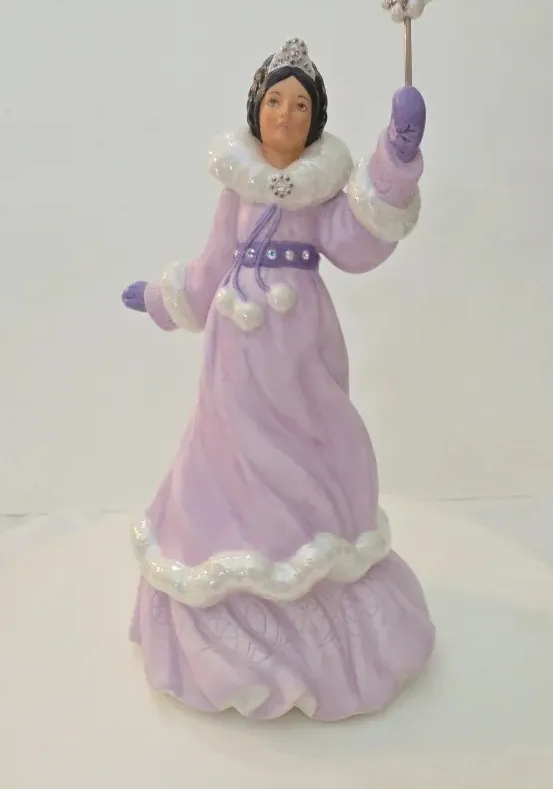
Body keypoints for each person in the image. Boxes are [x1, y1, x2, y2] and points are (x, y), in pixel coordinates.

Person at [122, 37, 435, 721]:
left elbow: (358, 238)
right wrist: (161, 297)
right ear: (255, 111)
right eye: (274, 101)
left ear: (315, 119)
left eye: (299, 105)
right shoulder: (237, 189)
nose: (285, 115)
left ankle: (312, 568)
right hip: (236, 353)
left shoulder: (320, 192)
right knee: (230, 454)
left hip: (299, 348)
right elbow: (211, 266)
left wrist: (395, 159)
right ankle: (234, 584)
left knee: (311, 446)